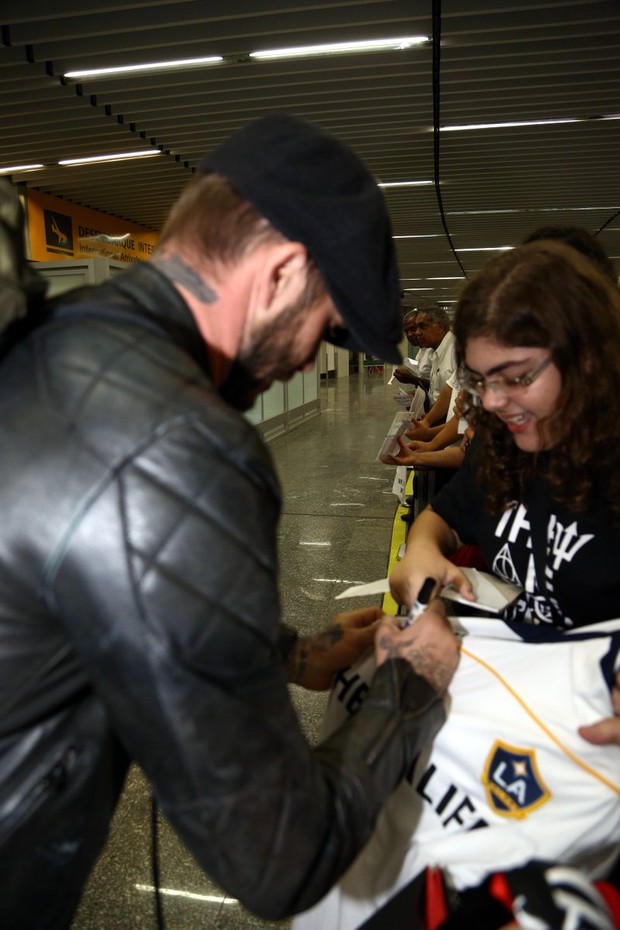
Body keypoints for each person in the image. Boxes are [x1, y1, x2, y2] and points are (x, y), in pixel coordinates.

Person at [0, 117, 461, 930]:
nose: (304, 359)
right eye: (325, 327)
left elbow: (70, 582)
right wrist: (410, 682)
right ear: (282, 271)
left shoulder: (54, 347)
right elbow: (282, 858)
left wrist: (295, 656)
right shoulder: (182, 449)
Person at [391, 239, 620, 747]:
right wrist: (423, 552)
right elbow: (446, 515)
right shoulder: (508, 444)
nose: (493, 402)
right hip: (517, 723)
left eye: (516, 378)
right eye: (481, 380)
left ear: (588, 359)